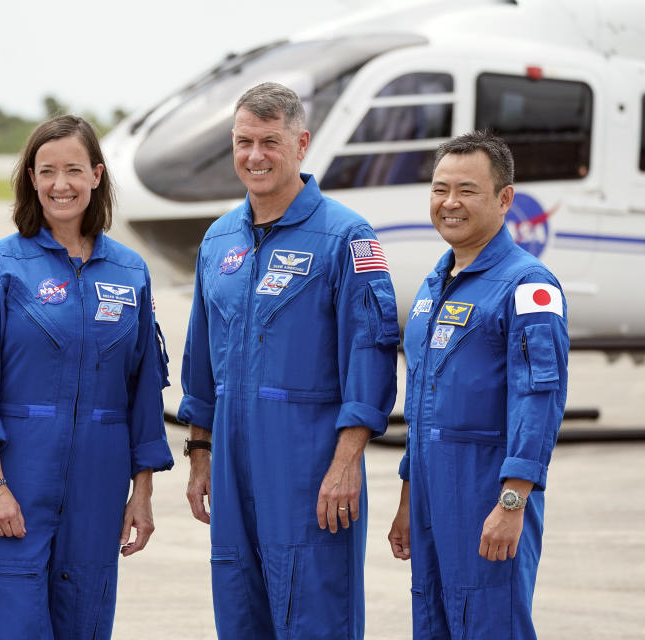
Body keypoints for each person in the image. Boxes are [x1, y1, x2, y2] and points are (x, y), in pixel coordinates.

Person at [180, 82, 399, 639]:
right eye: (243, 141)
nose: (255, 156)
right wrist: (200, 454)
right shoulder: (218, 241)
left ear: (301, 143)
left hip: (310, 466)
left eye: (270, 142)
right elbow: (201, 362)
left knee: (315, 608)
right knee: (238, 604)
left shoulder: (346, 237)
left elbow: (369, 356)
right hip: (230, 462)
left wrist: (348, 460)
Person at [0, 115, 174, 639]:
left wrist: (141, 494)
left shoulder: (129, 271)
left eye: (74, 170)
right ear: (31, 177)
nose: (60, 184)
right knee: (11, 619)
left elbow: (143, 391)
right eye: (47, 171)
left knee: (86, 620)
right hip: (19, 474)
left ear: (97, 176)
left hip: (100, 478)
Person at [387, 131, 569, 639]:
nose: (449, 203)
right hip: (429, 498)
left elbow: (539, 399)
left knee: (491, 625)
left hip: (486, 493)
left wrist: (513, 501)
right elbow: (421, 404)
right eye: (439, 189)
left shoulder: (528, 286)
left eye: (466, 190)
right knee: (434, 621)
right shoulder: (433, 286)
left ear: (504, 198)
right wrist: (408, 499)